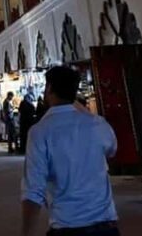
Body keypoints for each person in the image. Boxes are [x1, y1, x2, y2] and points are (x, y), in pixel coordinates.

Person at [21, 65, 119, 236]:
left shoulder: (40, 131)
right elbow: (112, 150)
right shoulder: (97, 124)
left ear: (49, 88)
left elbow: (33, 191)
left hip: (68, 226)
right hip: (106, 225)